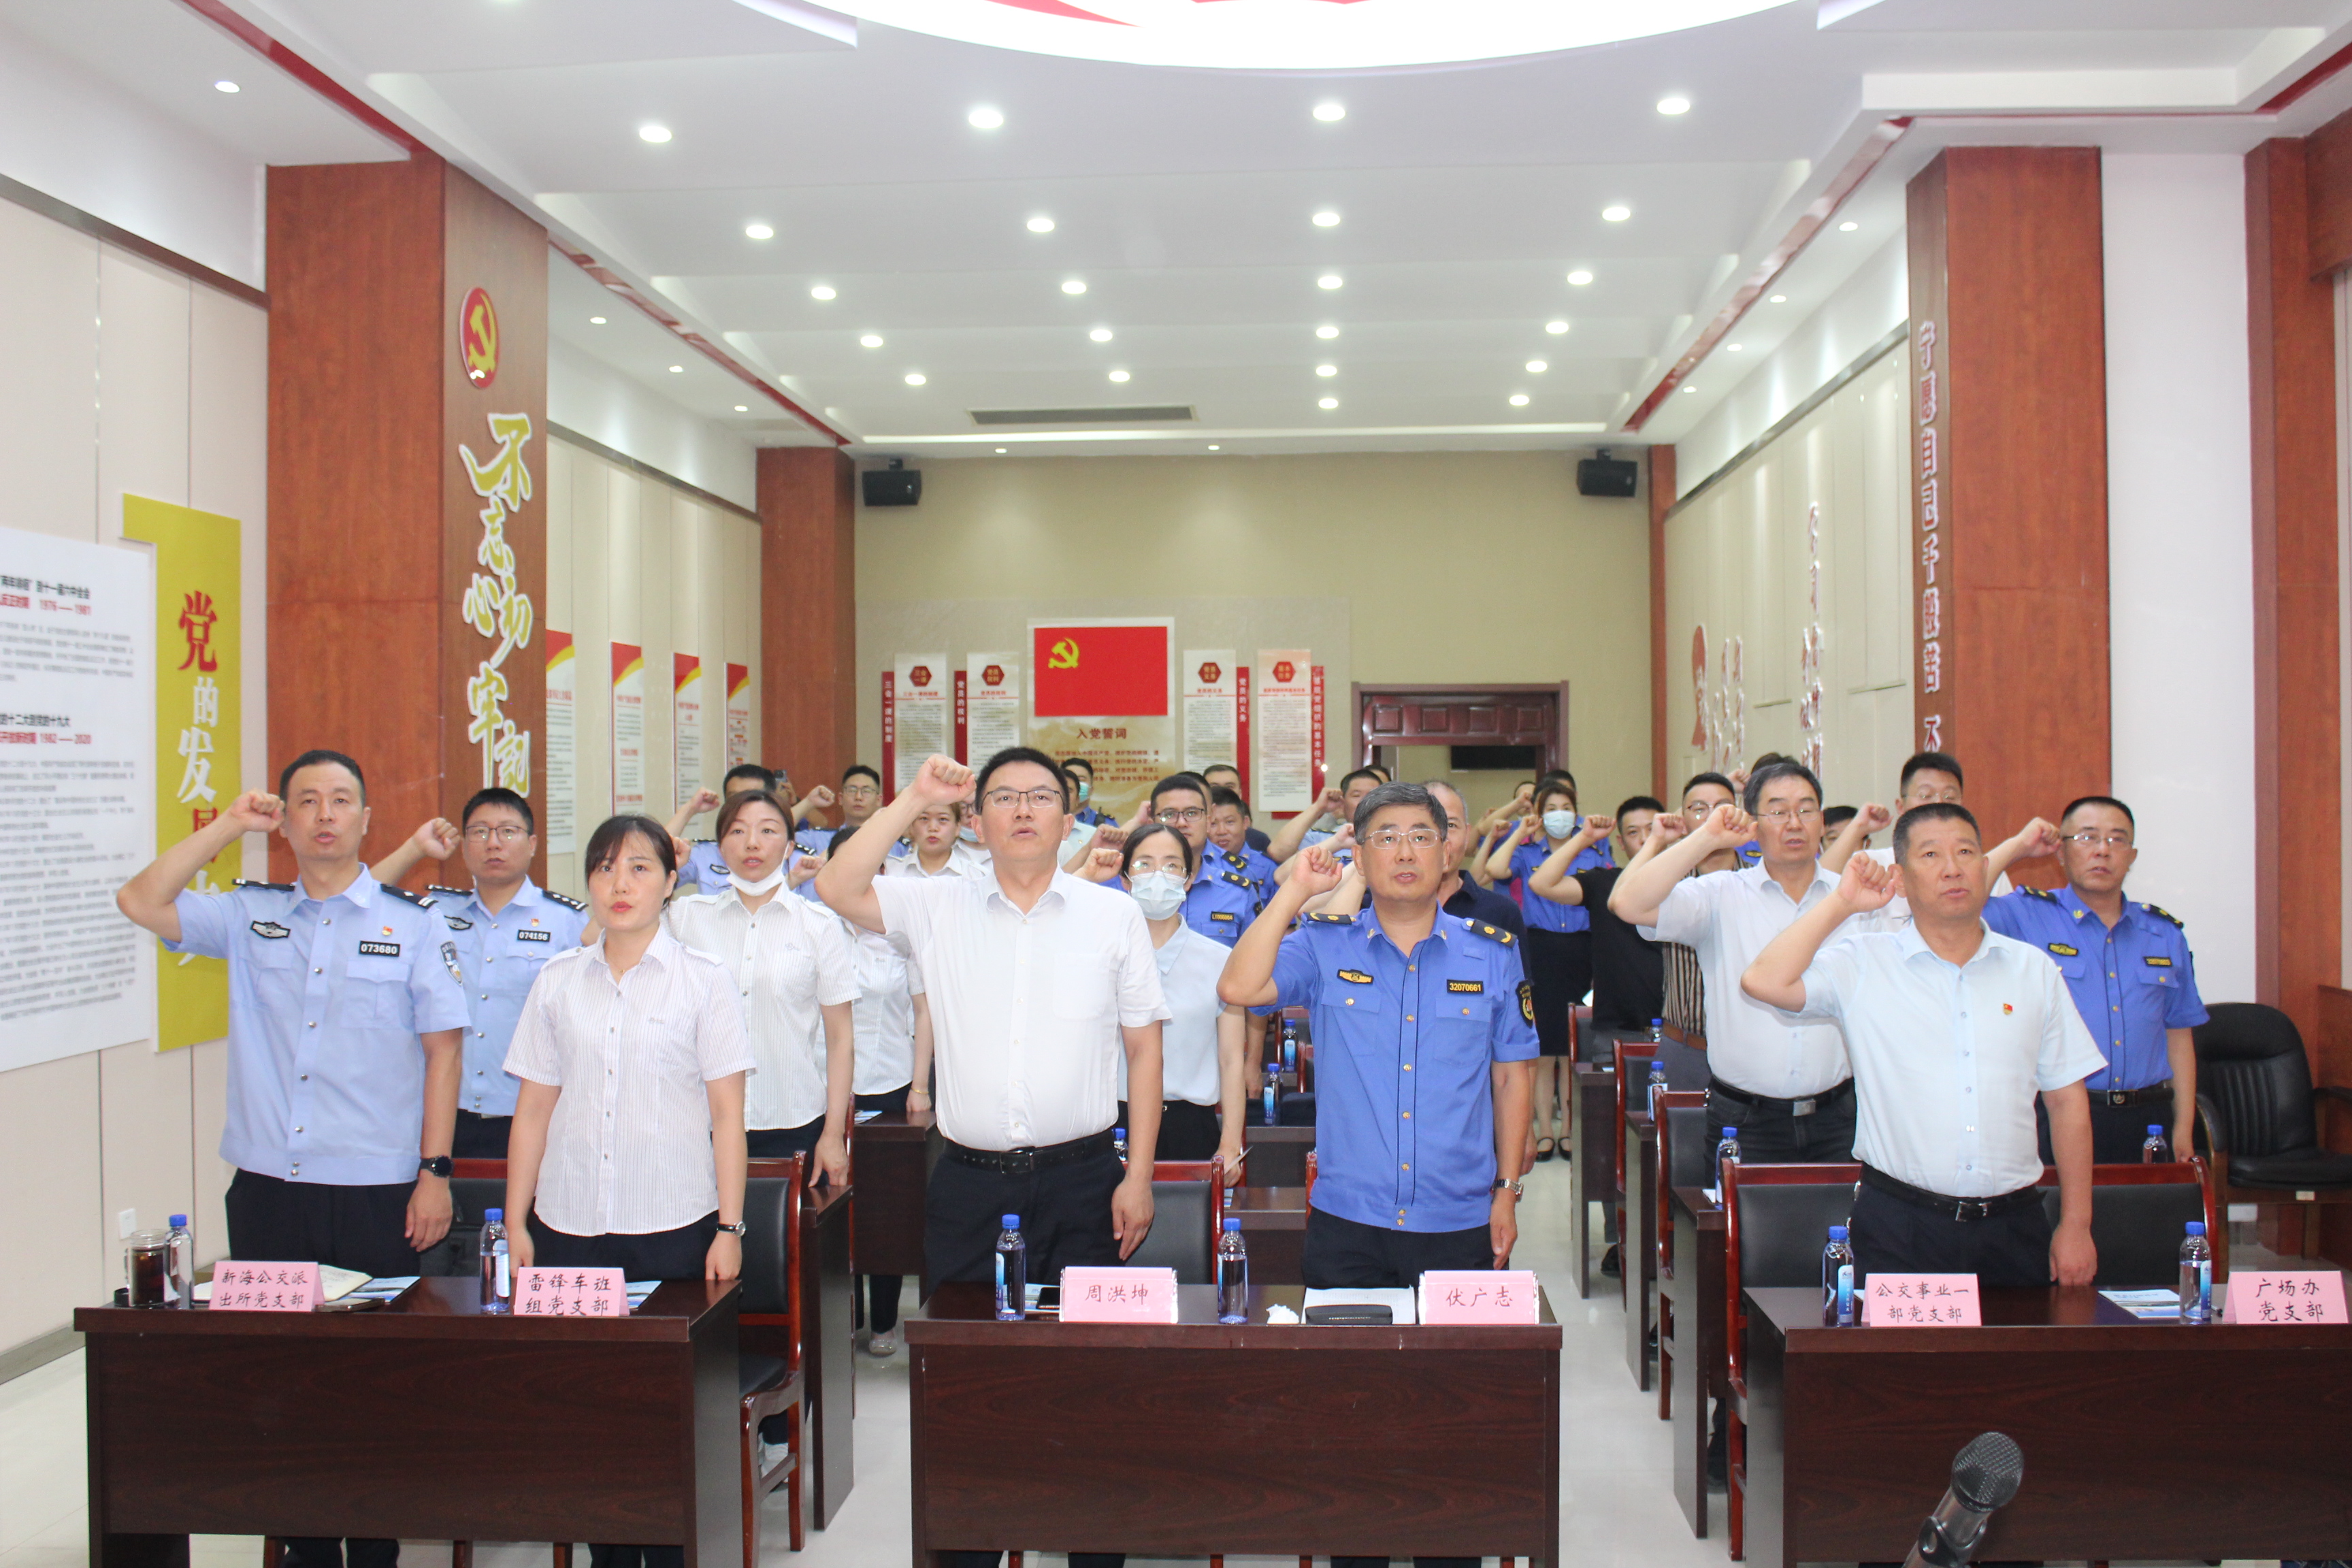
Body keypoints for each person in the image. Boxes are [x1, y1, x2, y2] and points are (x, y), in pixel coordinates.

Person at [114, 749, 469, 1568]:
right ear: (286, 821)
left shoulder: (414, 924)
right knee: (283, 1382)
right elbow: (141, 899)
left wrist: (435, 1172)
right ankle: (308, 1547)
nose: (324, 815)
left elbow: (444, 1055)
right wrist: (227, 826)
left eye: (341, 800)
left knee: (373, 1387)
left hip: (379, 1191)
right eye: (305, 801)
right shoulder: (251, 913)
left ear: (367, 820)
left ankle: (374, 1549)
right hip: (270, 1187)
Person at [817, 749, 1164, 1568]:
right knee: (966, 1393)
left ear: (1068, 818)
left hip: (1086, 1180)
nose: (1023, 810)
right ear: (977, 820)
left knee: (1090, 1390)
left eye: (1041, 797)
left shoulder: (1110, 915)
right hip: (970, 1187)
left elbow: (1144, 1051)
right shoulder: (937, 905)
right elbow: (835, 885)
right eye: (1004, 797)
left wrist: (1139, 1176)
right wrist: (914, 797)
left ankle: (1090, 1552)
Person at [1220, 785, 1532, 1568]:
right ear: (1359, 854)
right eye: (1385, 836)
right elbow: (1240, 988)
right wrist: (1294, 890)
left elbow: (1513, 1077)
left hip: (1457, 1222)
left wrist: (1507, 1190)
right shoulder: (1324, 945)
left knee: (1450, 1425)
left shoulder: (1492, 952)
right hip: (1350, 1226)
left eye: (1421, 835)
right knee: (1350, 1423)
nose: (1404, 851)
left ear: (1447, 850)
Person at [502, 815, 753, 1568]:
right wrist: (516, 1223)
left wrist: (730, 1229)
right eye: (606, 867)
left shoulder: (703, 980)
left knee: (666, 1419)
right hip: (569, 1226)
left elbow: (728, 1116)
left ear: (671, 883)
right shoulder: (557, 981)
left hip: (672, 1226)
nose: (620, 883)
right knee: (587, 1420)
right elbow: (533, 1110)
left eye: (640, 868)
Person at [1740, 804, 2103, 1287]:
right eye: (1931, 855)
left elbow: (2067, 1102)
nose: (1952, 868)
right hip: (1901, 1225)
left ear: (1985, 868)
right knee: (1898, 1342)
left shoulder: (2032, 969)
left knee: (2019, 1341)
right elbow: (1762, 980)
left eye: (1965, 852)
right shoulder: (1864, 963)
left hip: (2014, 1226)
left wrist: (2077, 1224)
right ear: (1901, 878)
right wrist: (1842, 903)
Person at [1609, 760, 1857, 1162]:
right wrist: (1706, 837)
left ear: (1822, 820)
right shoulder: (1720, 894)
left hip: (1839, 1115)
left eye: (1806, 809)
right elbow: (1628, 903)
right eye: (1778, 811)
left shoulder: (1852, 898)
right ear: (1754, 823)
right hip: (1743, 1119)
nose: (1794, 823)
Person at [367, 787, 591, 1158]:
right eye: (480, 832)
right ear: (465, 844)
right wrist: (415, 848)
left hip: (529, 1115)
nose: (493, 843)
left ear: (532, 844)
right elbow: (362, 903)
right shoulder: (436, 913)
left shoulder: (567, 922)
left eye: (508, 832)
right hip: (442, 1114)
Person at [1982, 796, 2206, 1164]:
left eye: (2117, 839)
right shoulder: (2029, 915)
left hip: (2148, 1120)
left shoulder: (2164, 933)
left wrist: (2183, 1128)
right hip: (2058, 1112)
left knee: (2149, 1204)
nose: (2103, 850)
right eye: (2087, 837)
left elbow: (2179, 1037)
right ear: (2061, 852)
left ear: (2132, 856)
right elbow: (1960, 905)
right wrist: (2018, 846)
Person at [666, 790, 854, 1181]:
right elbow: (598, 936)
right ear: (720, 848)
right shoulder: (686, 918)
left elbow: (840, 1039)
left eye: (767, 831)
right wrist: (664, 870)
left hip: (793, 1121)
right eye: (738, 831)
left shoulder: (819, 925)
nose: (752, 843)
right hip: (700, 1124)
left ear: (789, 846)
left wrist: (833, 1134)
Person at [826, 826, 934, 1357]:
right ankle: (841, 1318)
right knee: (831, 1209)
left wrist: (920, 1086)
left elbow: (924, 1012)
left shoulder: (902, 936)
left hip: (890, 1088)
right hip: (826, 1093)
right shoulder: (815, 931)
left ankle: (885, 1320)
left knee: (885, 1210)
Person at [1483, 775, 1608, 1161]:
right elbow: (1494, 868)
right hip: (1540, 949)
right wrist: (1521, 830)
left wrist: (1585, 837)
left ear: (1577, 813)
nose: (1559, 815)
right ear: (1539, 814)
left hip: (1582, 949)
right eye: (1551, 809)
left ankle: (1569, 1127)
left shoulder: (1593, 851)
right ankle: (1544, 1130)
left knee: (1573, 1046)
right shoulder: (1527, 852)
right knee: (1542, 1046)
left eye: (1566, 808)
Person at [1118, 823, 1250, 1166]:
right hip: (1114, 1123)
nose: (1158, 876)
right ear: (1125, 879)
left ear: (1188, 879)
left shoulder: (1220, 960)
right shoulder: (1102, 955)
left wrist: (1231, 1144)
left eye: (1172, 865)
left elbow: (1231, 1060)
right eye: (1144, 864)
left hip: (1190, 1125)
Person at [1526, 797, 1667, 1070]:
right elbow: (1541, 883)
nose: (1644, 840)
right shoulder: (1604, 883)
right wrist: (1584, 838)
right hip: (1615, 1032)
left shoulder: (1689, 885)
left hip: (1676, 1034)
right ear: (1621, 842)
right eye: (1633, 833)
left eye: (1652, 830)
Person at [1822, 751, 2012, 922]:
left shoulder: (1987, 871)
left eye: (1949, 797)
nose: (1938, 804)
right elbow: (1818, 888)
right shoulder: (1872, 867)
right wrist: (1858, 827)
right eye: (1926, 795)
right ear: (1900, 806)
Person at [1142, 771, 1262, 946]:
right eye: (1169, 815)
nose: (1181, 823)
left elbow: (1256, 956)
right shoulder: (1131, 885)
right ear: (1152, 822)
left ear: (1208, 821)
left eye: (1192, 813)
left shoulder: (1237, 891)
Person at [670, 762, 777, 894]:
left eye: (751, 799)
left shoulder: (791, 858)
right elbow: (655, 864)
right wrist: (690, 809)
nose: (741, 805)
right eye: (734, 798)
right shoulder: (707, 855)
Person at [1264, 766, 1382, 866]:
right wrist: (1318, 807)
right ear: (1343, 803)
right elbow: (1278, 852)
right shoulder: (1322, 838)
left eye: (1372, 795)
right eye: (1356, 795)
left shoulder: (1391, 837)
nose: (1365, 801)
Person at [891, 794, 994, 882]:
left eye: (943, 819)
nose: (933, 828)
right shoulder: (892, 872)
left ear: (957, 827)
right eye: (924, 818)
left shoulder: (977, 876)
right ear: (912, 826)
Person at [1205, 785, 1279, 894]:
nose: (1222, 831)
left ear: (1245, 823)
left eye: (1229, 822)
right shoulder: (1198, 865)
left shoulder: (1266, 867)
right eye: (1213, 824)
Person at [1200, 764, 1271, 852]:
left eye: (1230, 787)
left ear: (1240, 794)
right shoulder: (1194, 839)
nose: (1223, 792)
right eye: (1214, 787)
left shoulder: (1259, 840)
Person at [1061, 755, 1117, 828]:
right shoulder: (1049, 819)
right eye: (1071, 780)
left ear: (1091, 789)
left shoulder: (1106, 823)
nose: (1076, 785)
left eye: (1081, 780)